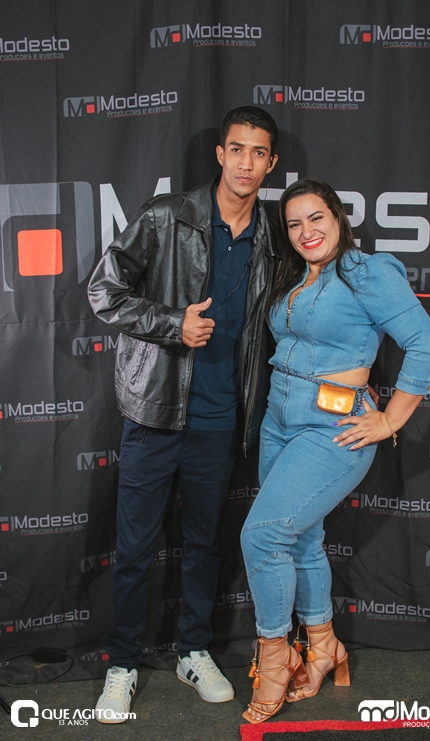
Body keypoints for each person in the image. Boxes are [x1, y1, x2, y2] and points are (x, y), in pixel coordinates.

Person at [87, 106, 279, 723]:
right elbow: (103, 291)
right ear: (219, 154)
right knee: (135, 549)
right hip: (155, 412)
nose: (246, 163)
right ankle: (122, 663)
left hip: (221, 420)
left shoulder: (273, 236)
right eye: (237, 149)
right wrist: (173, 324)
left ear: (271, 163)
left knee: (203, 545)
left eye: (258, 153)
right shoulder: (167, 216)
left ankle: (194, 651)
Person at [240, 178, 430, 724]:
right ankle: (324, 647)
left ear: (338, 218)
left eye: (317, 218)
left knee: (263, 535)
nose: (306, 232)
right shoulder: (295, 275)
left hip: (332, 426)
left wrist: (390, 418)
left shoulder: (365, 271)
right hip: (278, 421)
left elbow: (426, 343)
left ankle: (275, 657)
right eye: (294, 224)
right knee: (301, 539)